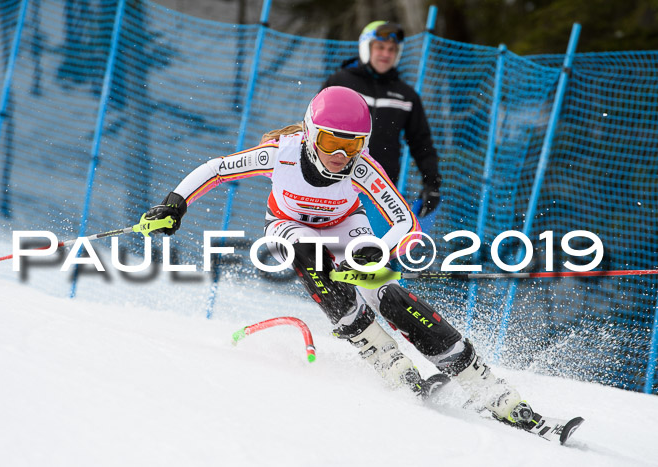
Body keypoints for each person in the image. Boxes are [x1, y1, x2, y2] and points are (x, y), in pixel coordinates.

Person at [143, 86, 534, 427]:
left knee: (387, 294)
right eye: (331, 142)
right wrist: (174, 204)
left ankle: (484, 385)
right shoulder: (281, 154)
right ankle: (383, 355)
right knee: (308, 253)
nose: (341, 154)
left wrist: (371, 252)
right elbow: (217, 170)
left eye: (353, 144)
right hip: (287, 224)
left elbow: (404, 222)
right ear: (312, 134)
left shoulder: (361, 168)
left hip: (345, 225)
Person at [322, 21, 441, 218]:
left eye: (391, 49)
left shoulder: (406, 96)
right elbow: (310, 128)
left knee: (369, 247)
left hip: (378, 189)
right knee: (326, 245)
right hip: (333, 182)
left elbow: (422, 143)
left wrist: (432, 184)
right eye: (380, 47)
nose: (386, 54)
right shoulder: (340, 82)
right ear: (366, 48)